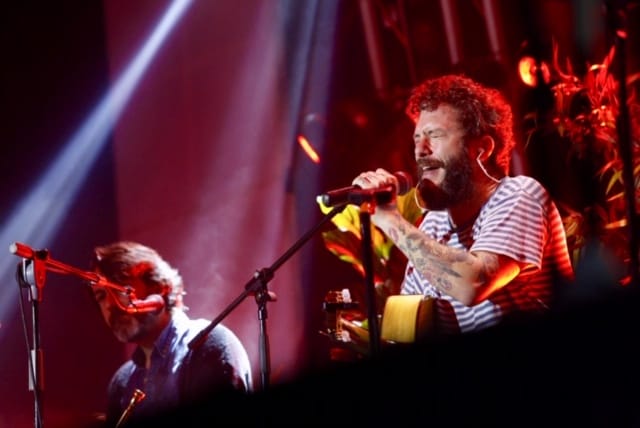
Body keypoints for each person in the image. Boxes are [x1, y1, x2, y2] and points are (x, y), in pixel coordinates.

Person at [352, 74, 574, 335]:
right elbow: (411, 323)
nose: (420, 150)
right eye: (417, 138)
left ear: (482, 149)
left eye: (434, 135)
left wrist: (390, 219)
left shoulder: (519, 195)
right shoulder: (434, 224)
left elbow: (473, 284)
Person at [89, 241, 252, 426]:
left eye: (121, 288)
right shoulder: (121, 382)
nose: (110, 304)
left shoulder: (209, 343)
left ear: (159, 286)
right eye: (101, 296)